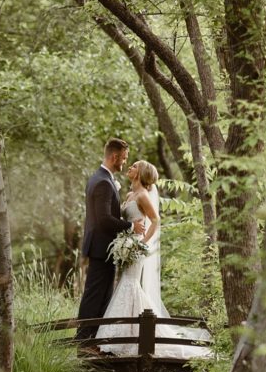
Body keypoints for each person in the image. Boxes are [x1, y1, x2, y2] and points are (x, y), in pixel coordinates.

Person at [96, 160, 212, 359]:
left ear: (140, 172)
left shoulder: (142, 195)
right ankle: (128, 333)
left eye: (134, 166)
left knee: (130, 283)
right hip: (126, 243)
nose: (130, 167)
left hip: (136, 246)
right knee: (126, 283)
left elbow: (156, 220)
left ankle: (128, 336)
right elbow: (127, 220)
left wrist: (142, 243)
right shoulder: (130, 195)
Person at [76, 138, 144, 347]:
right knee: (95, 295)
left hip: (103, 247)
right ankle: (83, 342)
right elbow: (104, 219)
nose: (124, 162)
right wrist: (131, 226)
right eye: (123, 158)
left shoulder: (101, 178)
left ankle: (93, 342)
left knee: (103, 295)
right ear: (114, 157)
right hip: (101, 247)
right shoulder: (103, 182)